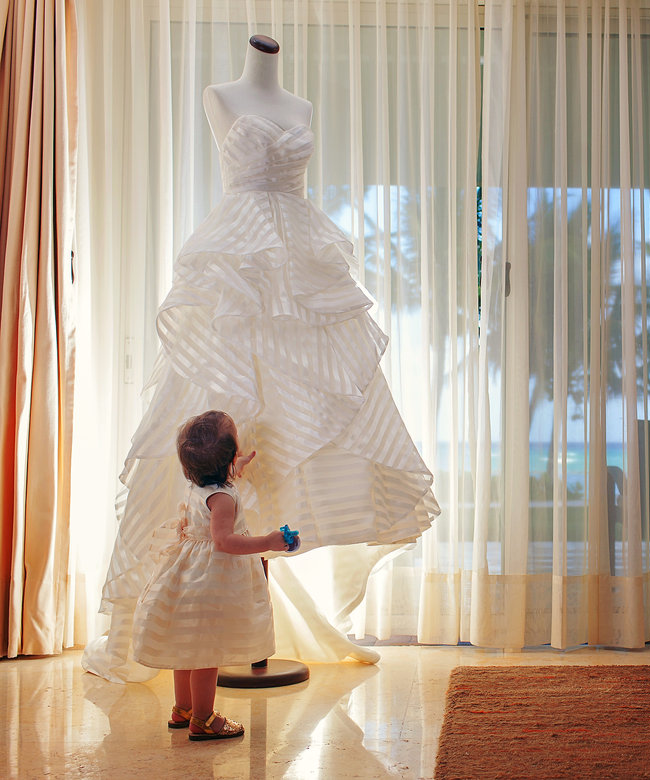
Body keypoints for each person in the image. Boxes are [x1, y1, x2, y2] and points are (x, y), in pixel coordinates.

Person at [83, 33, 440, 683]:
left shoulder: (300, 106)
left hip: (299, 255)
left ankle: (255, 619)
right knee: (231, 391)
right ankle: (217, 628)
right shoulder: (218, 95)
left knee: (303, 401)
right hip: (239, 254)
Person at [132, 410, 298, 740]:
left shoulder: (199, 485)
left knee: (187, 648)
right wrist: (268, 542)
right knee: (206, 653)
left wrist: (236, 467)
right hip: (210, 579)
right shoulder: (222, 498)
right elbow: (224, 541)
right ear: (227, 457)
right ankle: (204, 719)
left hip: (185, 574)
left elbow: (217, 485)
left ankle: (183, 709)